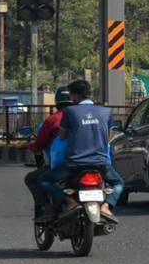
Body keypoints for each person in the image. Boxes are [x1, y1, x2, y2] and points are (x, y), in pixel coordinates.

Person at [40, 80, 123, 221]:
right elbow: (108, 137)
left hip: (74, 164)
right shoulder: (106, 111)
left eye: (72, 96)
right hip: (100, 163)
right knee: (118, 183)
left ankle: (69, 201)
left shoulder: (70, 111)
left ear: (76, 96)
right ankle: (106, 207)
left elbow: (62, 136)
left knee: (44, 180)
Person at [23, 87, 72, 220]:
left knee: (32, 179)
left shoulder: (53, 120)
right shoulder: (83, 118)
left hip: (61, 165)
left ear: (57, 102)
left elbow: (39, 145)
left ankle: (48, 208)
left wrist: (28, 146)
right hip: (92, 162)